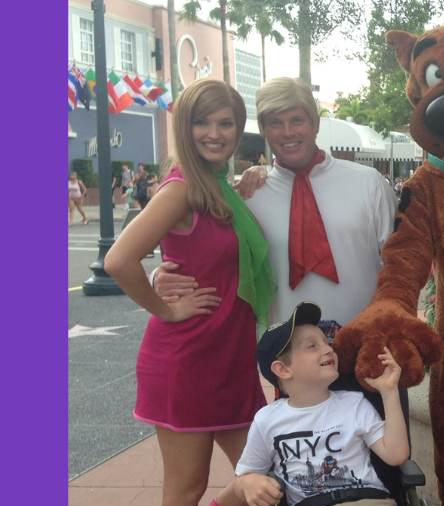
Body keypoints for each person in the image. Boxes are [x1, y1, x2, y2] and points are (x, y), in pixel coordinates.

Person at [103, 77, 277, 506]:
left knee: (264, 472)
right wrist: (165, 307)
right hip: (184, 360)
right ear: (185, 126)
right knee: (187, 486)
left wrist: (250, 181)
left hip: (231, 361)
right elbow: (118, 260)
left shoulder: (224, 188)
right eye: (203, 122)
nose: (215, 133)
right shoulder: (180, 190)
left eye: (226, 122)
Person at [236, 302, 436, 506]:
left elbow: (397, 455)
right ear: (283, 370)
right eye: (312, 346)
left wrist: (389, 394)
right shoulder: (268, 421)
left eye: (326, 342)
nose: (327, 348)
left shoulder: (354, 403)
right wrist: (250, 482)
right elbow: (245, 474)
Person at [156, 76, 395, 332]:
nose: (288, 132)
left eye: (297, 120)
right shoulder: (247, 197)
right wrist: (157, 277)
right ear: (262, 129)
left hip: (365, 344)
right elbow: (210, 260)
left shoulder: (369, 185)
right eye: (275, 123)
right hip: (284, 352)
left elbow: (401, 267)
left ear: (315, 123)